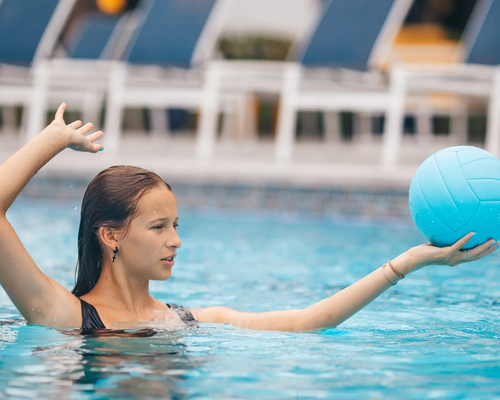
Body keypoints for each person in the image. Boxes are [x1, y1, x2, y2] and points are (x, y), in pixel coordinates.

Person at [0, 104, 497, 333]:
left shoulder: (185, 320)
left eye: (177, 225)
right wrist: (51, 141)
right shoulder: (63, 317)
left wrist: (410, 261)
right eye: (158, 227)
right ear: (109, 235)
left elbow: (306, 322)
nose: (175, 240)